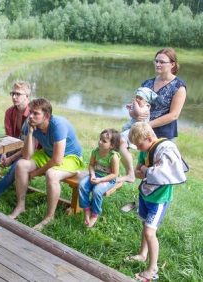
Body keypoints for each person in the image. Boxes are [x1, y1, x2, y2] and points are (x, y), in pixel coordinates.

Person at [124, 122, 188, 282]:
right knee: (145, 226)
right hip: (145, 195)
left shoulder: (165, 149)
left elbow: (166, 174)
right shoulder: (145, 151)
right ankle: (142, 254)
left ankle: (152, 269)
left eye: (140, 145)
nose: (139, 149)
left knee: (149, 232)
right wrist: (149, 171)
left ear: (149, 137)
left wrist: (147, 170)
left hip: (159, 199)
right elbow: (138, 173)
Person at [8, 98, 85, 231]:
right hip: (48, 153)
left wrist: (35, 173)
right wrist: (30, 133)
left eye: (36, 113)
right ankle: (20, 206)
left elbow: (57, 160)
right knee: (21, 165)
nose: (31, 116)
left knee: (52, 174)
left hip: (71, 158)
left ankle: (49, 217)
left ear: (47, 116)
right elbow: (27, 155)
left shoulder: (58, 125)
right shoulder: (31, 125)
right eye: (31, 112)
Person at [118, 48, 187, 183]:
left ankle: (159, 202)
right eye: (156, 61)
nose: (157, 64)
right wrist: (133, 110)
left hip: (162, 133)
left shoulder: (179, 86)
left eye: (162, 62)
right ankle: (132, 178)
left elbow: (173, 115)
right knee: (142, 168)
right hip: (142, 131)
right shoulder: (147, 83)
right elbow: (138, 105)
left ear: (172, 64)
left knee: (161, 172)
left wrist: (147, 125)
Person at [0, 80, 32, 205]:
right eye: (12, 93)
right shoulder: (9, 112)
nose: (14, 97)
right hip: (11, 146)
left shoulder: (33, 115)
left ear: (27, 96)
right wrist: (4, 152)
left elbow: (29, 145)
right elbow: (8, 136)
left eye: (18, 94)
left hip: (29, 151)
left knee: (16, 167)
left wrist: (11, 158)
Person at [78, 128, 121, 227]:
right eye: (100, 139)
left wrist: (101, 180)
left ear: (112, 145)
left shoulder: (113, 157)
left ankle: (94, 214)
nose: (100, 142)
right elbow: (91, 165)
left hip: (108, 178)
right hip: (95, 175)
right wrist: (93, 175)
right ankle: (87, 209)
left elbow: (115, 174)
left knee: (97, 191)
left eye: (104, 141)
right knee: (82, 185)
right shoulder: (95, 151)